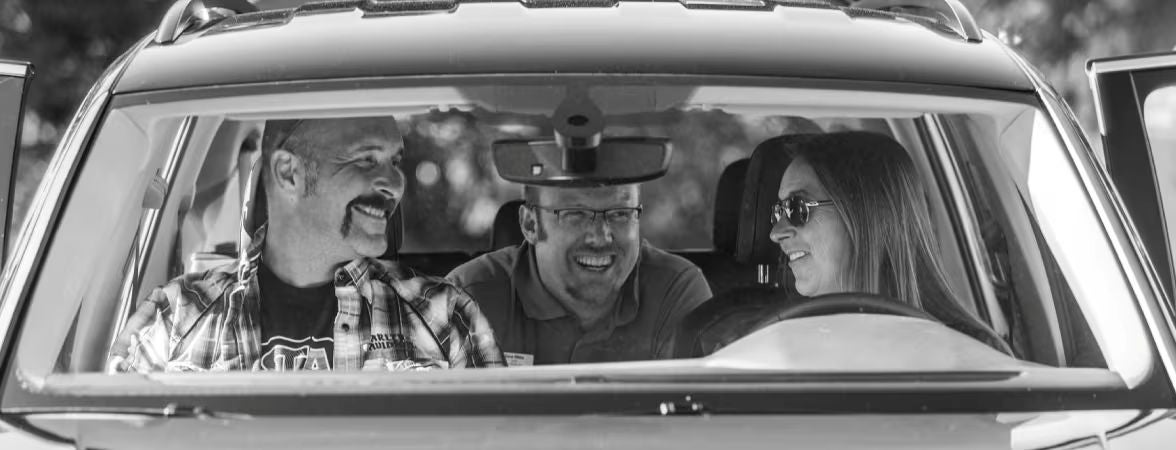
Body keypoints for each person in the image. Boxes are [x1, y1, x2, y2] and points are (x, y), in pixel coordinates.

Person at [107, 117, 505, 372]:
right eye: (366, 160)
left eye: (395, 161)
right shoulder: (172, 318)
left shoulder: (446, 317)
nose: (395, 184)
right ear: (289, 173)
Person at [768, 131, 1011, 353]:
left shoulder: (975, 357)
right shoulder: (777, 349)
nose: (776, 233)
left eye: (796, 208)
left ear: (865, 214)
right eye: (778, 211)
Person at [447, 183, 712, 365]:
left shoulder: (675, 291)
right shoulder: (467, 299)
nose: (600, 237)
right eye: (576, 214)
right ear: (530, 224)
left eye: (621, 213)